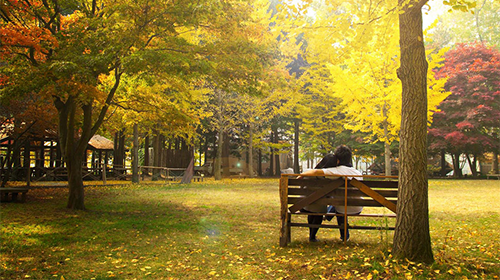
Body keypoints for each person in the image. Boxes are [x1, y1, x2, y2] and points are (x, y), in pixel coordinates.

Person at [299, 145, 363, 241]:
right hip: (357, 207)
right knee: (340, 202)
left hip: (338, 207)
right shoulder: (358, 173)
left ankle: (328, 218)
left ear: (337, 159)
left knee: (339, 204)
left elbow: (316, 171)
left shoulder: (334, 172)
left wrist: (300, 175)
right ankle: (344, 237)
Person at [300, 153, 338, 242]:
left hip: (303, 206)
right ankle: (312, 236)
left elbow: (301, 188)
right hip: (319, 208)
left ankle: (311, 235)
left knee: (312, 207)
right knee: (319, 209)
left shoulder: (308, 173)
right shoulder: (329, 178)